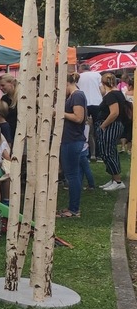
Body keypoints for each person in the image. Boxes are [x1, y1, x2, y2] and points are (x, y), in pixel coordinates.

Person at [59, 74, 88, 218]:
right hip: (70, 139)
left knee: (72, 175)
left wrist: (59, 113)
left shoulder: (77, 95)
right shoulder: (73, 96)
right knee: (72, 174)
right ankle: (73, 207)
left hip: (73, 140)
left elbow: (78, 117)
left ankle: (74, 209)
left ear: (67, 82)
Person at [97, 72, 127, 191]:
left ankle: (117, 179)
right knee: (111, 152)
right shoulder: (118, 93)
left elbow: (114, 112)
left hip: (111, 126)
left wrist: (104, 125)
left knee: (107, 152)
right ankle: (115, 179)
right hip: (115, 125)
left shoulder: (111, 96)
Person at [78, 62, 103, 159]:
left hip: (85, 103)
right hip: (97, 102)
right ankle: (99, 154)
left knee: (85, 128)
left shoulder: (79, 77)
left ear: (81, 68)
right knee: (98, 127)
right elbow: (102, 90)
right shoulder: (97, 75)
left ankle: (86, 153)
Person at [0, 74, 19, 140]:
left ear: (11, 83)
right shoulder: (4, 98)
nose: (0, 88)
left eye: (3, 85)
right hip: (9, 132)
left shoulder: (21, 97)